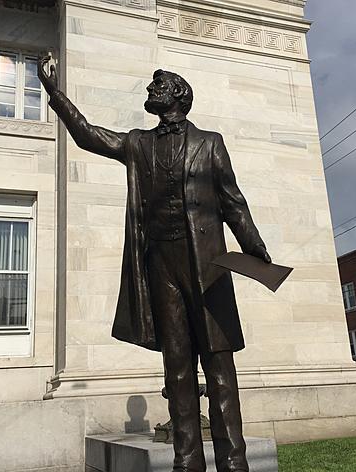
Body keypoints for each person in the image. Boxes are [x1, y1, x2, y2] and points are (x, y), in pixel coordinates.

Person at [39, 57, 270, 472]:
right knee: (177, 365)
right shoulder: (138, 144)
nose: (149, 91)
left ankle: (233, 462)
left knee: (219, 365)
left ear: (178, 95)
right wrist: (56, 94)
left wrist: (256, 250)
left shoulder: (211, 142)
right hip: (160, 264)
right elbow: (90, 136)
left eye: (157, 86)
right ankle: (187, 461)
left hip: (208, 265)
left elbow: (233, 202)